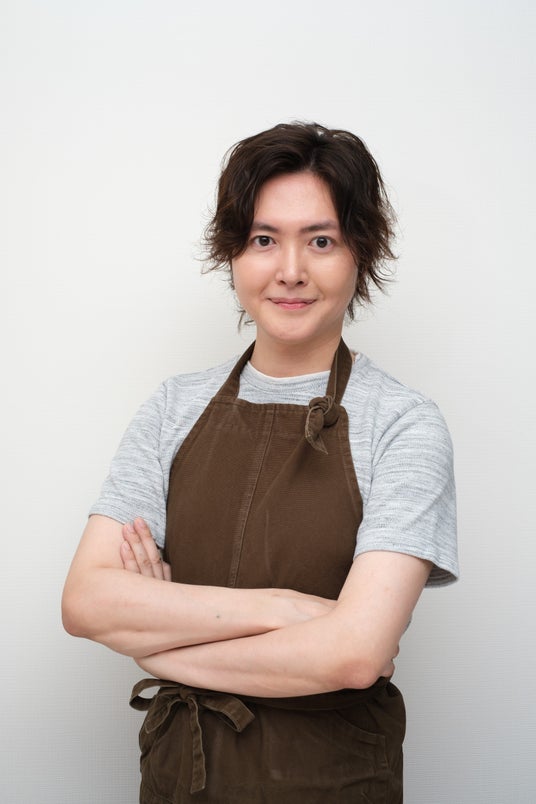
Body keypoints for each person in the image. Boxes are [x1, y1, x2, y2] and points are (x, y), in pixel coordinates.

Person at [62, 122, 458, 803]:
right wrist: (285, 610)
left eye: (322, 241)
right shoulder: (173, 407)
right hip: (177, 777)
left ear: (361, 252)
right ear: (233, 253)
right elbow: (86, 601)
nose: (290, 270)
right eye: (263, 239)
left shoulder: (404, 423)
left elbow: (355, 654)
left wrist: (159, 646)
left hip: (331, 782)